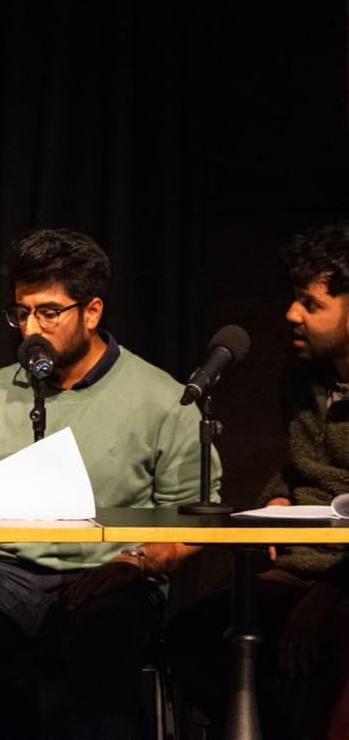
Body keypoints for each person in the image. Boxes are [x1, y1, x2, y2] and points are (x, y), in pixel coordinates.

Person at [0, 228, 219, 740]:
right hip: (2, 569)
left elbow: (195, 516)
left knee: (105, 633)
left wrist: (135, 562)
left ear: (92, 311)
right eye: (21, 312)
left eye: (48, 312)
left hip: (111, 570)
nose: (30, 327)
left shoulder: (163, 398)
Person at [167, 220, 349, 739]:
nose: (292, 315)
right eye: (295, 299)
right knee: (199, 635)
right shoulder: (302, 377)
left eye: (311, 305)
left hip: (340, 577)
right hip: (302, 566)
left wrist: (330, 594)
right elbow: (300, 463)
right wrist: (275, 497)